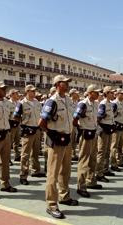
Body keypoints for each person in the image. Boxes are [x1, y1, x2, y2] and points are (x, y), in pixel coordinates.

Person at [39, 75, 78, 219]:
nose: (67, 84)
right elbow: (41, 123)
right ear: (57, 84)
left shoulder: (68, 100)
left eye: (68, 83)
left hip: (67, 139)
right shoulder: (52, 101)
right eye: (65, 82)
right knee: (53, 174)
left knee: (66, 171)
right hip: (56, 141)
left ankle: (64, 196)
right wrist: (52, 135)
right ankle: (51, 204)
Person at [73, 84, 102, 198]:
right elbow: (75, 119)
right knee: (84, 161)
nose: (98, 94)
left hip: (93, 133)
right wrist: (81, 129)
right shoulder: (83, 104)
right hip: (85, 134)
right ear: (90, 93)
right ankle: (81, 186)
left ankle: (91, 180)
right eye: (96, 92)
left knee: (93, 159)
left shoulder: (96, 104)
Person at [14, 85, 45, 186]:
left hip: (37, 130)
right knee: (25, 154)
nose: (34, 92)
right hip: (27, 130)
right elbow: (16, 117)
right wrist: (22, 127)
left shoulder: (37, 103)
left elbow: (41, 115)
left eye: (34, 91)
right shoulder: (22, 103)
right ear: (27, 92)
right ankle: (23, 175)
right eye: (32, 91)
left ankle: (35, 170)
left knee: (36, 152)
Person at [96, 86, 116, 183]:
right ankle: (99, 173)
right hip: (104, 130)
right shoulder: (103, 104)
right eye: (111, 93)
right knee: (102, 152)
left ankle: (105, 169)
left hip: (109, 128)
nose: (113, 94)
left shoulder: (110, 104)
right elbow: (99, 118)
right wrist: (101, 129)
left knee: (107, 150)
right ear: (106, 93)